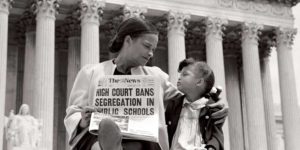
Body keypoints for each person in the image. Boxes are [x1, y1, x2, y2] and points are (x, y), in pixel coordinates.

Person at [64, 17, 228, 150]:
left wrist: (214, 100)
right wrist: (83, 120)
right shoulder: (90, 72)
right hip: (99, 136)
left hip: (143, 140)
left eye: (154, 49)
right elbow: (73, 113)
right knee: (97, 143)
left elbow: (188, 97)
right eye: (147, 46)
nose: (150, 53)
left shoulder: (156, 76)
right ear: (128, 40)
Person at [165, 58, 224, 150]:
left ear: (199, 82)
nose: (179, 77)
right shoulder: (173, 105)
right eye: (180, 74)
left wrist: (212, 148)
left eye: (185, 74)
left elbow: (216, 135)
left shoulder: (212, 108)